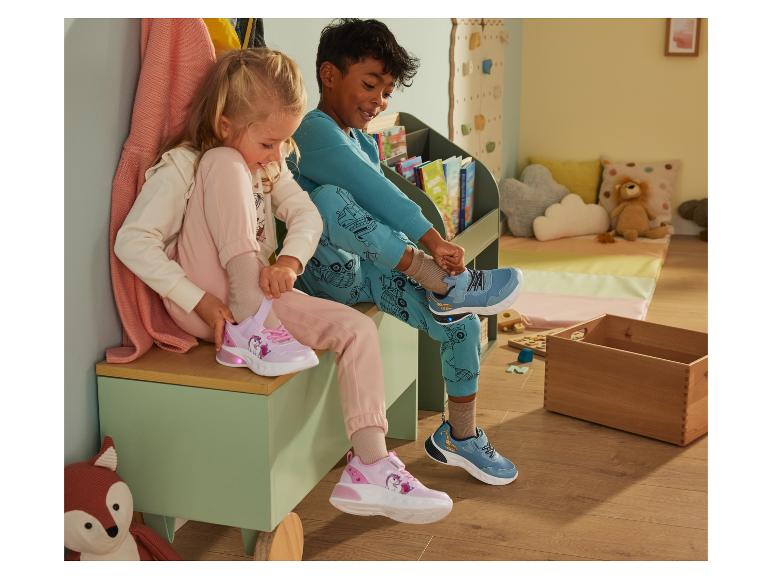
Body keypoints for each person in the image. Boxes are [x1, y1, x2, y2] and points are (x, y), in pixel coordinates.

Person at [114, 48, 452, 524]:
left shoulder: (268, 166)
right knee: (225, 165)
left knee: (357, 330)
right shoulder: (190, 165)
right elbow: (133, 241)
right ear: (226, 122)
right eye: (270, 143)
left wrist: (290, 260)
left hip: (259, 305)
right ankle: (250, 321)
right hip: (208, 305)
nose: (277, 158)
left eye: (284, 145)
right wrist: (200, 300)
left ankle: (370, 467)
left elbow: (306, 213)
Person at [291, 19, 522, 486]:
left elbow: (380, 209)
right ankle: (444, 283)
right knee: (331, 201)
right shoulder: (312, 130)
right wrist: (432, 246)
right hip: (321, 275)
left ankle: (460, 436)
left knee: (461, 324)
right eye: (370, 84)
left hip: (370, 271)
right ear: (329, 75)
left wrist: (428, 248)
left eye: (386, 92)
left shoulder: (360, 140)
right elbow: (370, 192)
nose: (378, 100)